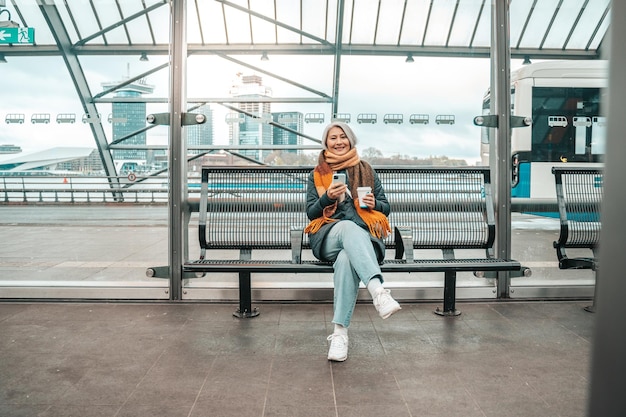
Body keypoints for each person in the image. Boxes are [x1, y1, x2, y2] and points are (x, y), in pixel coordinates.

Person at [304, 121, 401, 362]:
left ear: (351, 139)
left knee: (347, 258)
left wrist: (372, 204)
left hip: (364, 241)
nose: (338, 142)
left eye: (342, 137)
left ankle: (340, 334)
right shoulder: (318, 174)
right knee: (346, 226)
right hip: (328, 236)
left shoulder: (366, 169)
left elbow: (385, 207)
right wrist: (327, 197)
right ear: (326, 143)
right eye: (333, 138)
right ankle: (378, 290)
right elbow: (311, 213)